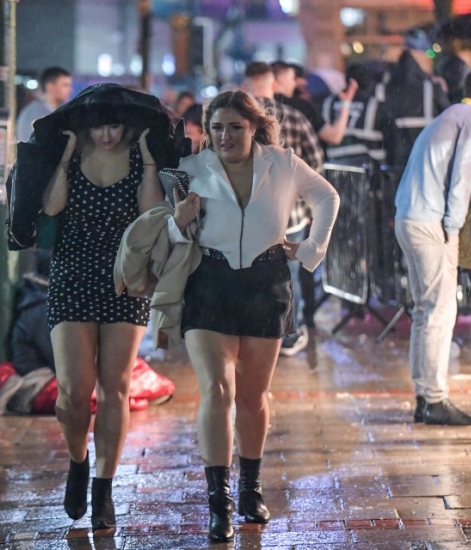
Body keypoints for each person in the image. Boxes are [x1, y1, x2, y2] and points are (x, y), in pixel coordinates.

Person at [169, 90, 339, 541]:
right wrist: (177, 219)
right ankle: (218, 501)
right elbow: (163, 225)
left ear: (253, 127)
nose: (225, 136)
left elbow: (327, 198)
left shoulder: (281, 162)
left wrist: (308, 251)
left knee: (252, 395)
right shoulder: (190, 169)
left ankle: (250, 486)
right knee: (217, 388)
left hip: (267, 283)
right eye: (217, 128)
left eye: (235, 127)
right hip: (208, 281)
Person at [39, 85, 170, 530]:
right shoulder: (73, 156)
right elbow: (52, 206)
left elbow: (152, 213)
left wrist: (149, 161)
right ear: (85, 125)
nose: (107, 134)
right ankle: (78, 460)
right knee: (74, 391)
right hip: (71, 276)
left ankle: (103, 487)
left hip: (125, 280)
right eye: (99, 125)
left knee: (115, 388)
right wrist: (63, 157)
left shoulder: (137, 158)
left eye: (114, 125)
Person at [394, 65, 471, 425]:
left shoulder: (447, 116)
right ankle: (434, 399)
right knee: (439, 312)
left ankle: (425, 397)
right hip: (431, 221)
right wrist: (453, 228)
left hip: (409, 215)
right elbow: (463, 177)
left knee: (425, 311)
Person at [243, 60, 324, 357]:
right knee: (289, 273)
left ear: (246, 86)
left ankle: (254, 329)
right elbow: (316, 164)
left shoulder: (237, 121)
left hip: (248, 215)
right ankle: (288, 332)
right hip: (292, 215)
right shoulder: (295, 117)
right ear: (273, 84)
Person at [376, 30, 450, 170]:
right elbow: (449, 117)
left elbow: (382, 124)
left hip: (396, 161)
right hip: (427, 159)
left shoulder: (386, 87)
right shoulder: (432, 87)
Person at [16, 66, 73, 142]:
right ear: (50, 86)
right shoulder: (37, 113)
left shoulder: (47, 111)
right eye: (65, 85)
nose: (70, 90)